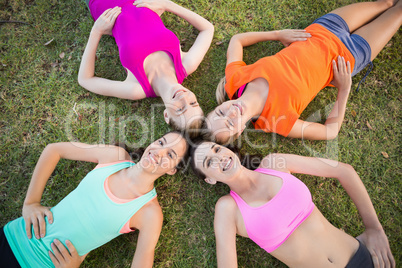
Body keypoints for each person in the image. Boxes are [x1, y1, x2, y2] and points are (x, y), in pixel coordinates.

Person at [207, 0, 401, 144]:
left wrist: (277, 35)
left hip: (324, 29)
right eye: (230, 124)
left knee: (385, 2)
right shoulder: (276, 122)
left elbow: (236, 40)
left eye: (221, 112)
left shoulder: (234, 81)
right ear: (240, 131)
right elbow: (329, 132)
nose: (231, 113)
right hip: (350, 55)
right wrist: (344, 89)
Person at [190, 141, 395, 268]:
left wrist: (374, 228)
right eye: (209, 162)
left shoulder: (274, 164)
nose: (219, 158)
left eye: (217, 149)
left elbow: (344, 171)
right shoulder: (228, 208)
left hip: (364, 259)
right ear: (210, 179)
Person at [1, 131, 188, 268]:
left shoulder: (149, 213)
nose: (159, 152)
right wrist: (31, 202)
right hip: (14, 236)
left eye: (170, 155)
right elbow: (54, 150)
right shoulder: (114, 157)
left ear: (172, 170)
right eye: (161, 142)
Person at [79, 0, 214, 133]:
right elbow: (208, 29)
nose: (183, 98)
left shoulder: (137, 88)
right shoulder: (186, 65)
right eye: (192, 103)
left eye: (179, 109)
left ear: (166, 115)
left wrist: (96, 31)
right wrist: (167, 5)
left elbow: (85, 80)